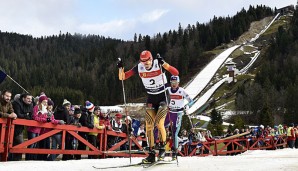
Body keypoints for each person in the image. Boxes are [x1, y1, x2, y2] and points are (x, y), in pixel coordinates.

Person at [117, 50, 179, 163]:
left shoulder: (158, 64)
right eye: (143, 61)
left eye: (148, 60)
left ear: (151, 59)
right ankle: (151, 153)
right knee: (149, 126)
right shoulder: (139, 67)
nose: (146, 63)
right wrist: (120, 68)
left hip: (163, 97)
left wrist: (164, 63)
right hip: (151, 98)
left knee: (160, 124)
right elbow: (122, 77)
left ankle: (162, 148)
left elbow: (175, 73)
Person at [164, 75, 194, 160]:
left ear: (178, 83)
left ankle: (175, 151)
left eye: (175, 83)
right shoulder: (168, 90)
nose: (173, 84)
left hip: (178, 113)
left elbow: (191, 101)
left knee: (175, 132)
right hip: (169, 112)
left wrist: (187, 105)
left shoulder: (182, 91)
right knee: (160, 126)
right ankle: (161, 147)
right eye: (172, 83)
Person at [10, 93, 33, 161]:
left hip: (20, 128)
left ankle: (17, 160)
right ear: (23, 98)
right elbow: (18, 114)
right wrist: (26, 115)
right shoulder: (16, 103)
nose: (30, 100)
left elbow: (31, 116)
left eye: (31, 99)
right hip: (11, 126)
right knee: (13, 143)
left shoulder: (30, 105)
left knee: (19, 143)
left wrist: (25, 115)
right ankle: (11, 159)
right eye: (28, 98)